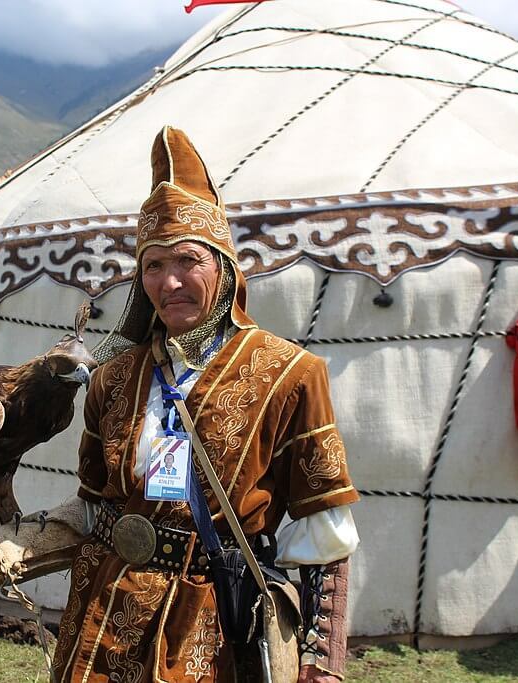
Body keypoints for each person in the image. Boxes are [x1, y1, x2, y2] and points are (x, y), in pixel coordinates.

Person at [52, 127, 360, 682]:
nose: (169, 282)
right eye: (152, 265)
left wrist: (319, 661)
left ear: (223, 266)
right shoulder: (112, 380)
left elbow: (326, 532)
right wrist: (22, 540)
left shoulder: (291, 377)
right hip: (102, 623)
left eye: (187, 261)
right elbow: (94, 504)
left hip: (217, 626)